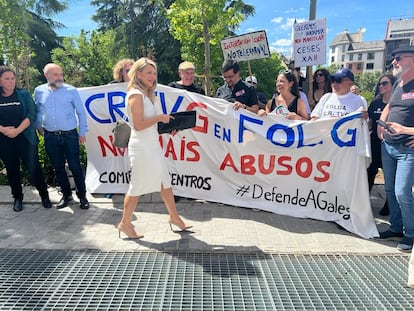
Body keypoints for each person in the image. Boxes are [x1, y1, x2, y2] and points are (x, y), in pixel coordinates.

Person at [117, 57, 192, 239]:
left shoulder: (147, 94)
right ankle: (125, 223)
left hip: (152, 145)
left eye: (154, 73)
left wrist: (168, 128)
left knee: (164, 181)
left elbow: (151, 125)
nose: (152, 76)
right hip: (142, 148)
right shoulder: (136, 94)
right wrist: (159, 118)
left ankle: (174, 217)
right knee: (136, 186)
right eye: (149, 72)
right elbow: (139, 125)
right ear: (138, 73)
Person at [34, 63, 89, 210]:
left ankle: (82, 196)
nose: (59, 78)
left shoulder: (71, 90)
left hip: (70, 135)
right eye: (55, 75)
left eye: (61, 74)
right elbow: (38, 110)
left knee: (75, 167)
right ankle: (66, 196)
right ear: (46, 76)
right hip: (50, 136)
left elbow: (81, 112)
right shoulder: (39, 91)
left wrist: (82, 132)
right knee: (58, 168)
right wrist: (38, 125)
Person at [377, 45, 414, 253]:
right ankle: (396, 227)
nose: (394, 62)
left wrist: (409, 130)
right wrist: (382, 127)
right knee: (390, 190)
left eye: (398, 58)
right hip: (388, 146)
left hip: (407, 149)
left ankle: (411, 233)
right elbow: (389, 107)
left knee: (402, 192)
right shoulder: (399, 83)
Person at [0, 66, 52, 212]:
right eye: (7, 79)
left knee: (34, 168)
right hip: (4, 139)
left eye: (12, 78)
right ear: (0, 81)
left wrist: (17, 130)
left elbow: (31, 115)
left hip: (24, 137)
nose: (11, 81)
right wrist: (4, 130)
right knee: (12, 169)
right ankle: (17, 198)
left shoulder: (23, 94)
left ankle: (45, 196)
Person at [367, 74, 396, 216]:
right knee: (370, 172)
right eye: (380, 84)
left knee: (389, 177)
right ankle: (364, 201)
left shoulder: (397, 105)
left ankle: (389, 205)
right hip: (374, 144)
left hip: (390, 145)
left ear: (393, 85)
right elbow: (370, 123)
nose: (381, 86)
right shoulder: (374, 103)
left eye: (385, 83)